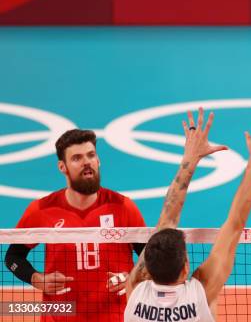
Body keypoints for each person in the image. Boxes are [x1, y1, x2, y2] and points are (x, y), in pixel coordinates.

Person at [124, 108, 251, 321]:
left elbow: (167, 220)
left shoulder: (135, 291)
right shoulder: (199, 294)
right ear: (185, 269)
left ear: (148, 271)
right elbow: (236, 221)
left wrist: (190, 158)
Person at [5, 129, 146, 321]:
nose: (87, 161)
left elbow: (151, 257)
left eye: (91, 155)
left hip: (115, 316)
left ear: (98, 161)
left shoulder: (123, 207)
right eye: (77, 158)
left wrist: (132, 277)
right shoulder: (42, 210)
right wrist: (37, 279)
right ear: (62, 167)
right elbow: (13, 256)